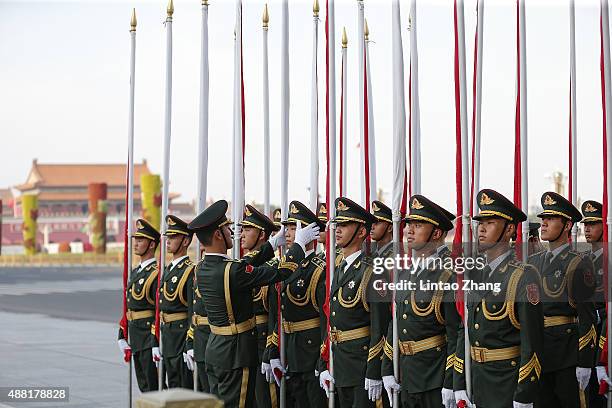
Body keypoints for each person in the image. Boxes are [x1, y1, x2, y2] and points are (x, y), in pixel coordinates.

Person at [188, 200, 320, 408]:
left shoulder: (202, 267)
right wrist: (298, 245)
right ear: (217, 235)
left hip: (215, 349)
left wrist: (272, 245)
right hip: (236, 354)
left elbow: (243, 266)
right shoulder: (232, 271)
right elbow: (281, 272)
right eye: (226, 228)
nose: (232, 232)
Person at [454, 189, 544, 408]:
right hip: (477, 381)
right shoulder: (476, 273)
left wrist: (524, 394)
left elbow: (532, 343)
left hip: (506, 384)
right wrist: (459, 382)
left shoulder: (523, 275)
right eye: (480, 222)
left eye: (491, 222)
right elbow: (465, 330)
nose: (481, 229)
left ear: (509, 229)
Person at [380, 195, 461, 408]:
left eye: (418, 225)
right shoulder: (406, 274)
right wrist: (387, 368)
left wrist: (451, 381)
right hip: (406, 375)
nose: (409, 231)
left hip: (435, 377)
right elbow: (396, 323)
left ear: (436, 233)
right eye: (409, 225)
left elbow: (456, 334)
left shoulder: (449, 275)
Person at [528, 192, 596, 408]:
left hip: (566, 354)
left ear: (567, 225)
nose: (544, 224)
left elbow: (588, 318)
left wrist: (584, 362)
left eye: (551, 219)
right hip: (538, 352)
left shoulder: (578, 263)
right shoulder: (533, 262)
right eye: (543, 219)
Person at [318, 197, 388, 408]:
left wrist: (374, 370)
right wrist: (324, 362)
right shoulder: (339, 268)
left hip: (361, 365)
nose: (338, 230)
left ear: (361, 232)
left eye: (345, 225)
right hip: (339, 363)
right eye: (337, 225)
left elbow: (380, 326)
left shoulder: (374, 270)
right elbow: (332, 319)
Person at [263, 201, 328, 408]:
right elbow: (278, 313)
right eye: (288, 228)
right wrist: (272, 349)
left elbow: (326, 319)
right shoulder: (286, 267)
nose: (289, 234)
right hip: (289, 348)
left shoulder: (320, 268)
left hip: (310, 351)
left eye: (295, 228)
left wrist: (324, 358)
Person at [239, 204, 280, 408]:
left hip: (263, 340)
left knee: (266, 400)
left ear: (262, 235)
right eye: (242, 230)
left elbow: (275, 314)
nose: (242, 235)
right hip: (245, 341)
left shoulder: (271, 268)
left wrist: (271, 350)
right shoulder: (240, 267)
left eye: (248, 230)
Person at [117, 219, 161, 392]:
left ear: (151, 244)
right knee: (144, 386)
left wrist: (155, 340)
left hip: (147, 337)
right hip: (136, 336)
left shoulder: (156, 273)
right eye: (136, 240)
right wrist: (122, 334)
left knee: (153, 387)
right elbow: (128, 306)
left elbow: (158, 310)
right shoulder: (136, 272)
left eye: (140, 240)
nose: (135, 244)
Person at [157, 215, 195, 389]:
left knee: (181, 387)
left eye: (173, 237)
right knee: (170, 386)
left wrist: (190, 343)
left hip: (180, 336)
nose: (168, 241)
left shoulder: (189, 270)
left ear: (186, 241)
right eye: (168, 236)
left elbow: (192, 311)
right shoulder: (168, 269)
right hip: (167, 335)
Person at [581, 200, 611, 408]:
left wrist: (597, 314)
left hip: (603, 335)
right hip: (584, 338)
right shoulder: (582, 261)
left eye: (593, 223)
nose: (587, 228)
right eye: (585, 224)